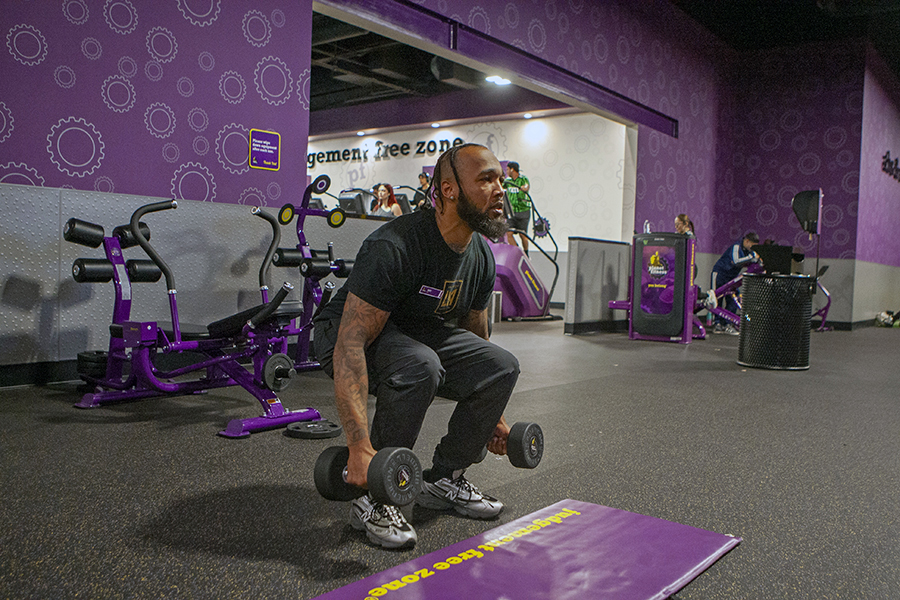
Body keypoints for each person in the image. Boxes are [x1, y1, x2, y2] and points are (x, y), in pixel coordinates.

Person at [313, 143, 520, 549]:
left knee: (501, 366)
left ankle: (444, 480)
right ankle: (372, 499)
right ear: (449, 190)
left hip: (417, 330)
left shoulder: (479, 254)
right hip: (347, 333)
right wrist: (359, 448)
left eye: (500, 179)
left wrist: (491, 413)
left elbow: (476, 335)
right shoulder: (396, 245)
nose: (500, 189)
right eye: (486, 179)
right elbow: (351, 342)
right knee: (420, 365)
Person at [710, 231, 761, 335]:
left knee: (733, 298)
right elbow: (736, 261)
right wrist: (752, 258)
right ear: (747, 241)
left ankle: (727, 324)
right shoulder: (736, 247)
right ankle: (717, 324)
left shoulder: (750, 252)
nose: (753, 248)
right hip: (720, 273)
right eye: (752, 245)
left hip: (731, 277)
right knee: (717, 297)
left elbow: (752, 261)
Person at [502, 161, 531, 253]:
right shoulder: (507, 181)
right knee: (508, 233)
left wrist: (525, 188)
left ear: (512, 169)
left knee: (523, 235)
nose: (506, 171)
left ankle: (526, 253)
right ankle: (518, 252)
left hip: (523, 211)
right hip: (512, 212)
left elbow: (527, 186)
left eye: (507, 169)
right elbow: (500, 187)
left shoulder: (523, 179)